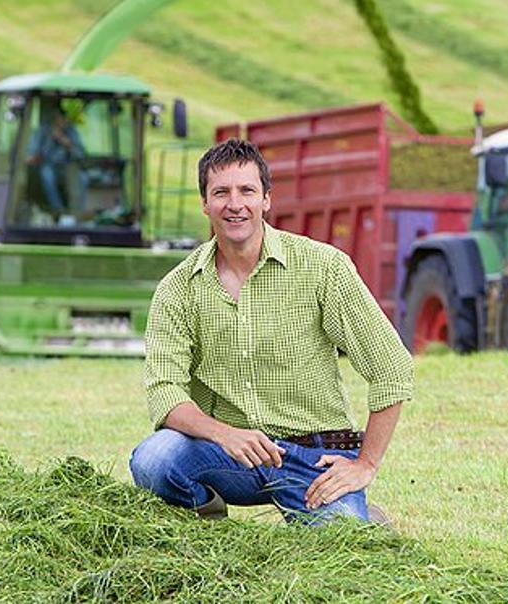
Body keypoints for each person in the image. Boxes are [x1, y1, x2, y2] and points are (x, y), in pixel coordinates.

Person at [129, 140, 414, 524]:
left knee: (342, 541)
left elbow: (392, 369)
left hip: (315, 455)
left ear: (266, 199)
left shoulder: (323, 267)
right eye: (221, 193)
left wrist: (366, 463)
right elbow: (165, 392)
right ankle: (207, 521)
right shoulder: (178, 288)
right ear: (204, 203)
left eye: (247, 191)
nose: (235, 204)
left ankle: (357, 513)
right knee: (154, 460)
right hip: (229, 454)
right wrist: (224, 434)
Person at [27, 102, 87, 216]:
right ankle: (58, 210)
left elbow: (81, 155)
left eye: (62, 119)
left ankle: (79, 212)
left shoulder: (71, 132)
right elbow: (31, 154)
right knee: (47, 174)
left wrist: (66, 142)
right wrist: (37, 156)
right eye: (56, 119)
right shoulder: (42, 132)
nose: (60, 122)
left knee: (83, 178)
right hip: (47, 165)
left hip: (68, 166)